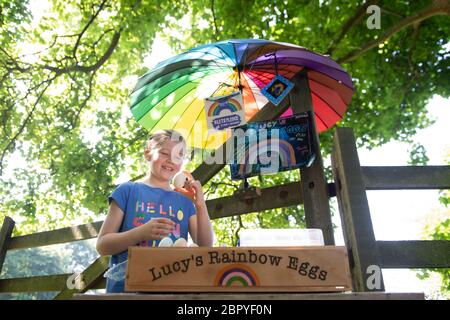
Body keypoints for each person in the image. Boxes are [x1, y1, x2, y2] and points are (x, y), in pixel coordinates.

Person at [96, 129, 214, 293]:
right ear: (148, 154)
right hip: (126, 292)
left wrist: (200, 205)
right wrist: (141, 233)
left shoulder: (185, 202)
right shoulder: (128, 191)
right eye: (165, 153)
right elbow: (102, 245)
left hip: (172, 292)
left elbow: (205, 246)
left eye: (179, 156)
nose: (171, 160)